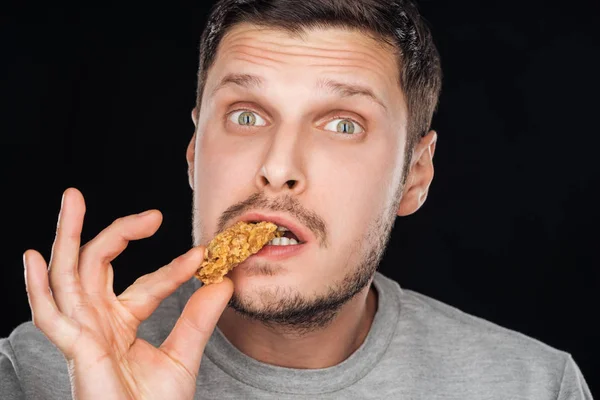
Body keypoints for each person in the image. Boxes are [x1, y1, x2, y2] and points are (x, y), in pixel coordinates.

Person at [0, 0, 593, 398]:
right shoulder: (37, 373)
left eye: (342, 124)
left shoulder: (533, 386)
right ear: (192, 152)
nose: (278, 167)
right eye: (247, 114)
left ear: (414, 176)